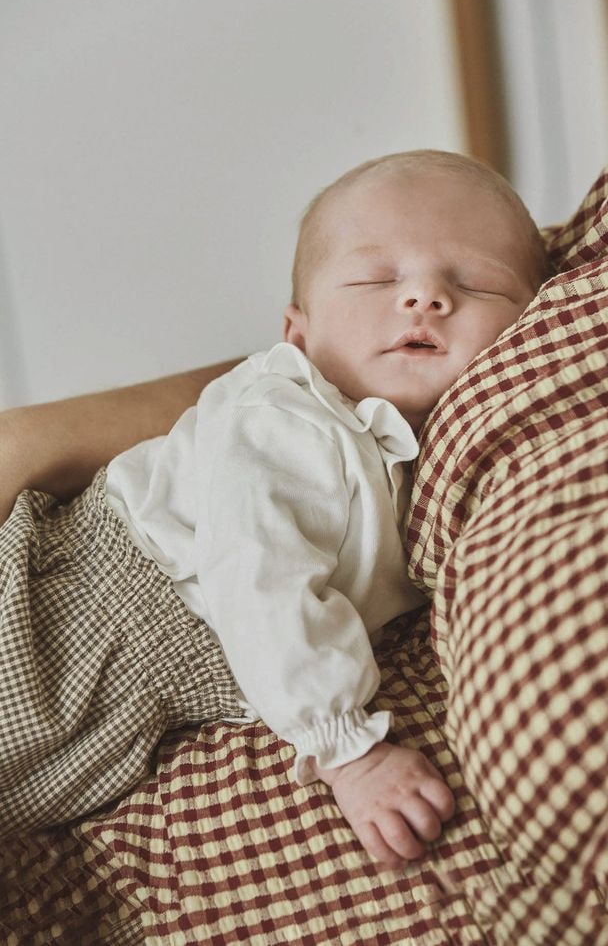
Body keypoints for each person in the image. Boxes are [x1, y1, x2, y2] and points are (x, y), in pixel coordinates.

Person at [0, 150, 546, 868]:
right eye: (377, 278)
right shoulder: (284, 415)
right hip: (67, 613)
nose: (423, 297)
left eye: (473, 282)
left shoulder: (429, 450)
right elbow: (262, 573)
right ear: (297, 334)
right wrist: (350, 751)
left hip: (137, 683)